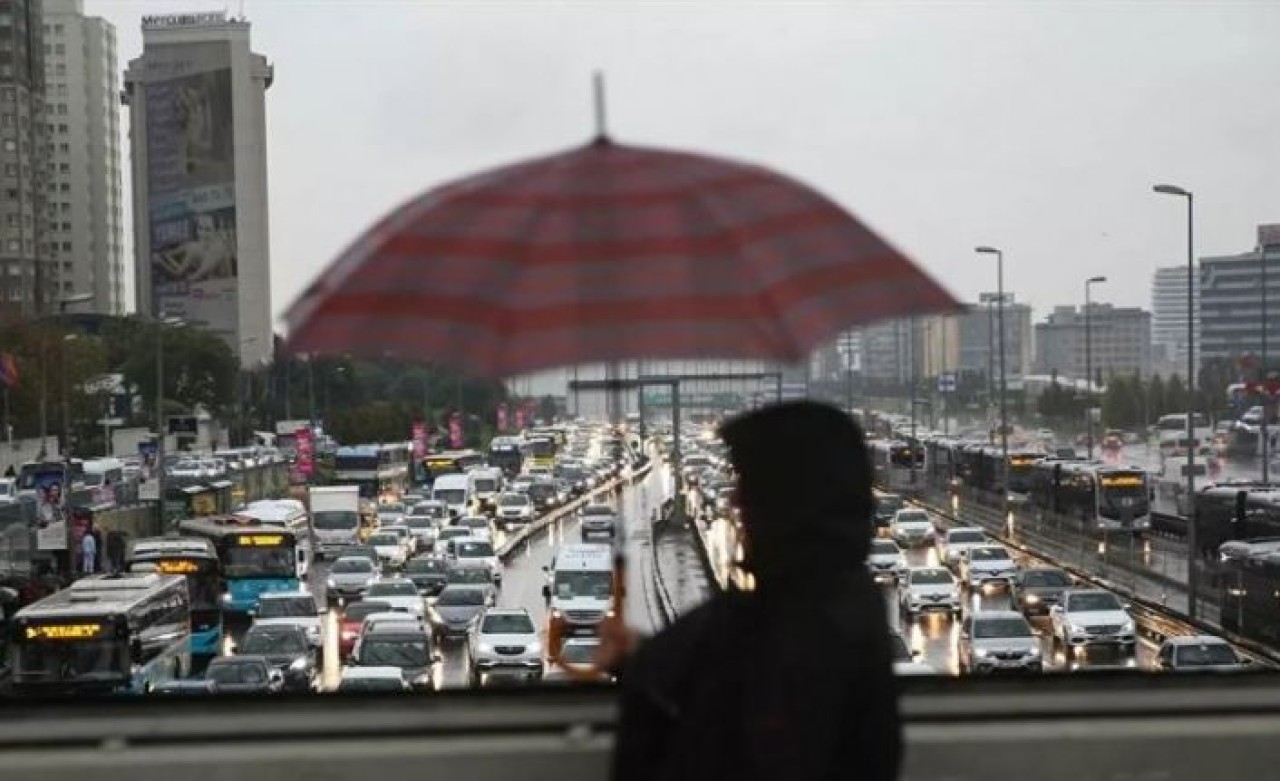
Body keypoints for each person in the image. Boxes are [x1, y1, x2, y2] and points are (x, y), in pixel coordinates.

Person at [600, 400, 901, 781]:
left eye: (748, 484)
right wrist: (644, 658)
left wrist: (645, 670)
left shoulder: (806, 631)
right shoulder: (825, 604)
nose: (734, 500)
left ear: (788, 500)